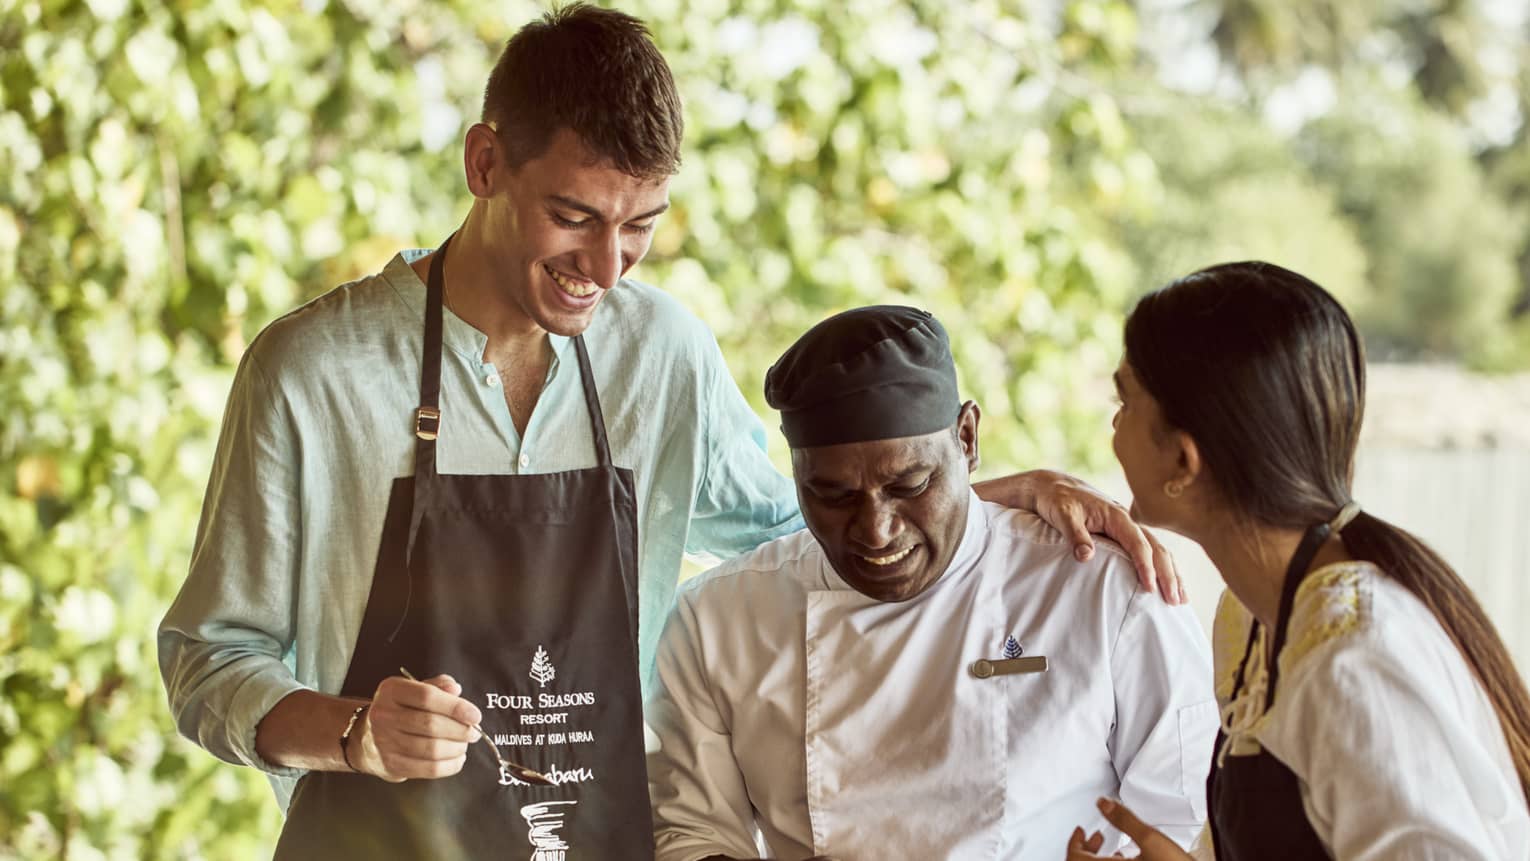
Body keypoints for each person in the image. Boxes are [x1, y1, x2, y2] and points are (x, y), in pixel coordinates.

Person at [156, 6, 1181, 859]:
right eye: (575, 217)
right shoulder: (311, 372)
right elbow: (208, 661)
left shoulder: (664, 353)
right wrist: (353, 733)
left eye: (639, 225)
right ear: (484, 163)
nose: (605, 269)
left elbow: (802, 518)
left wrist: (972, 487)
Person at [646, 306, 1218, 861]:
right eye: (834, 496)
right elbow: (692, 832)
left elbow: (1185, 819)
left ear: (967, 439)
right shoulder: (716, 619)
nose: (876, 530)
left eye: (910, 484)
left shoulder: (1100, 591)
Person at [1066, 262, 1530, 860]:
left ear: (1183, 461)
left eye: (1123, 401)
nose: (1113, 425)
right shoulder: (1253, 620)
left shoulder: (1354, 664)